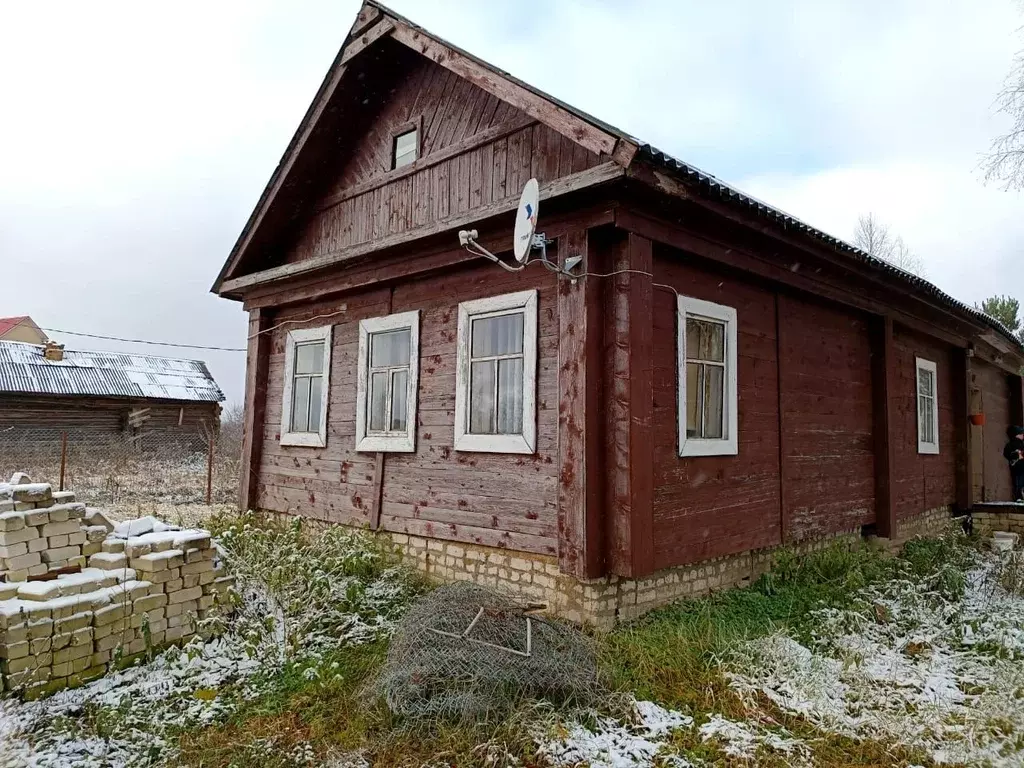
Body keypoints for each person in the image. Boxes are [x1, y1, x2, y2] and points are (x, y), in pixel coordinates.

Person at [1005, 425, 1024, 502]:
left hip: (1018, 467)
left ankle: (1019, 496)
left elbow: (1006, 454)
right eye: (1021, 433)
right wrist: (1017, 455)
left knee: (1018, 482)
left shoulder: (1011, 444)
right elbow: (1008, 454)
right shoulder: (1014, 444)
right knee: (1018, 482)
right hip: (1018, 467)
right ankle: (1018, 497)